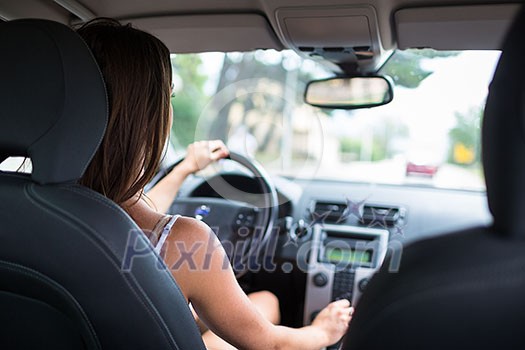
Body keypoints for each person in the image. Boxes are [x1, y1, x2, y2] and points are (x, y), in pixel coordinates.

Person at [78, 18, 352, 350]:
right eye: (169, 96)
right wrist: (322, 332)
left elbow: (126, 212)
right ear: (149, 116)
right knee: (259, 313)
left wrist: (184, 170)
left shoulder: (24, 211)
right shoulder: (186, 240)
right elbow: (269, 343)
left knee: (265, 301)